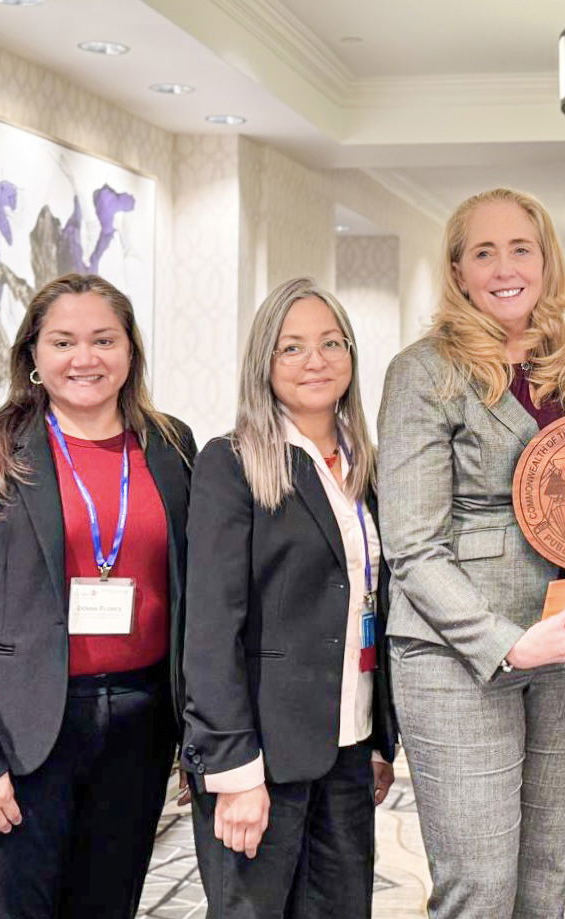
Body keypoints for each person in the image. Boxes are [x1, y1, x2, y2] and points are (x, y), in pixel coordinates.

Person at [0, 273, 195, 918]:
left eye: (104, 340)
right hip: (14, 733)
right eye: (63, 341)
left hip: (139, 726)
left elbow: (196, 593)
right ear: (34, 356)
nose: (85, 358)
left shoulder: (172, 445)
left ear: (130, 353)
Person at [377, 187, 565, 918]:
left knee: (546, 881)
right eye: (483, 251)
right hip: (460, 656)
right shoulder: (422, 371)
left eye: (521, 248)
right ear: (456, 269)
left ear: (546, 262)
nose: (504, 266)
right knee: (478, 886)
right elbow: (412, 547)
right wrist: (511, 645)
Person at [182, 278, 396, 918]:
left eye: (332, 343)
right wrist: (234, 770)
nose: (316, 361)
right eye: (292, 348)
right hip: (261, 757)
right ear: (263, 364)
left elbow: (371, 608)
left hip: (349, 747)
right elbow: (211, 627)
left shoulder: (366, 466)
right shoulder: (234, 462)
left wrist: (379, 737)